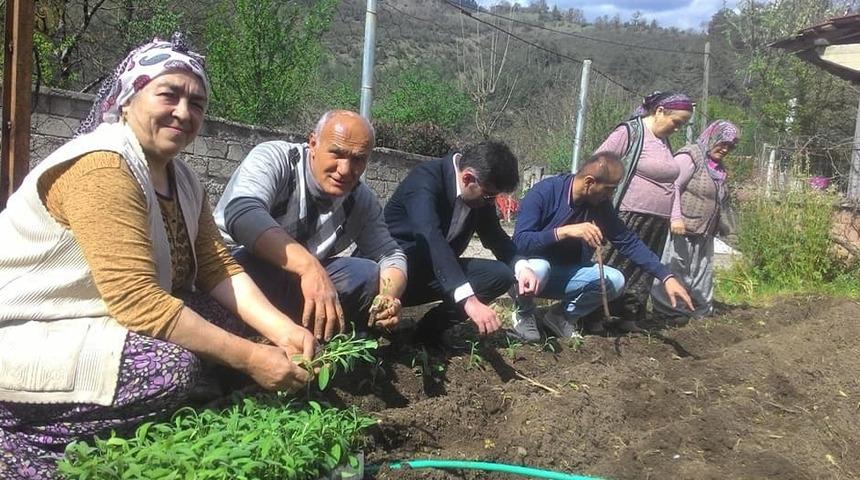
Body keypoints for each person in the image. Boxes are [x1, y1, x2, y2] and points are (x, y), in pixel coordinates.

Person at [0, 35, 315, 479]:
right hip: (29, 326)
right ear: (129, 100)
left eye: (197, 103)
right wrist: (249, 359)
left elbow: (215, 266)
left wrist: (282, 330)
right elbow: (137, 302)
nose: (184, 113)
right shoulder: (103, 168)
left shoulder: (182, 178)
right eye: (169, 94)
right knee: (170, 368)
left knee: (237, 321)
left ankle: (136, 411)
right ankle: (25, 436)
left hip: (94, 317)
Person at [214, 110, 407, 342]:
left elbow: (391, 254)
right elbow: (242, 214)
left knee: (366, 274)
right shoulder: (277, 159)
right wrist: (308, 267)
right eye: (336, 153)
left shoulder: (360, 200)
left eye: (358, 159)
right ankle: (247, 336)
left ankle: (314, 335)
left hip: (298, 286)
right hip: (233, 275)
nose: (345, 170)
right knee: (252, 262)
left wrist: (388, 297)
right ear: (313, 143)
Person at [509, 152, 694, 342]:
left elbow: (628, 241)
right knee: (541, 267)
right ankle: (523, 314)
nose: (611, 195)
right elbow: (519, 242)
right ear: (590, 182)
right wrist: (564, 232)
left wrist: (665, 276)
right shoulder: (544, 192)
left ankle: (560, 317)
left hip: (563, 273)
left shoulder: (600, 205)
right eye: (609, 189)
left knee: (615, 280)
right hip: (528, 272)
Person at [383, 142, 538, 345]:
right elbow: (429, 236)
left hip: (436, 272)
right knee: (368, 327)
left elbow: (494, 235)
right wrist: (469, 301)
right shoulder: (426, 179)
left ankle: (426, 333)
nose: (491, 203)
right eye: (489, 195)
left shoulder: (479, 195)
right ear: (467, 178)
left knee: (499, 275)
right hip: (391, 273)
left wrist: (521, 266)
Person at [594, 91, 694, 330]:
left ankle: (630, 318)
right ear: (660, 111)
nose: (678, 128)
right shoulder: (630, 133)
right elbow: (598, 163)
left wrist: (674, 214)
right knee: (616, 266)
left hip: (656, 221)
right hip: (627, 215)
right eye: (676, 122)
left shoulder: (663, 141)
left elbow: (672, 185)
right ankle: (594, 316)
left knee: (642, 272)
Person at [650, 120, 741, 321]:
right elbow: (672, 186)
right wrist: (675, 218)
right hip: (681, 228)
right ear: (712, 137)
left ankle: (699, 311)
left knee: (702, 272)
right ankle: (669, 312)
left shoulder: (719, 168)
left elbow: (721, 201)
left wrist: (728, 229)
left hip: (704, 231)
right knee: (675, 268)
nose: (726, 149)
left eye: (731, 146)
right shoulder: (691, 156)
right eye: (723, 143)